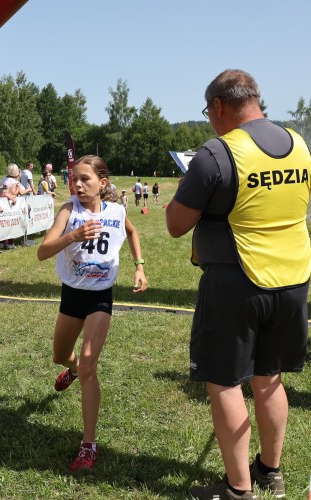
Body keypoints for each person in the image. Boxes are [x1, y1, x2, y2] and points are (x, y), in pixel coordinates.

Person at [166, 69, 310, 500]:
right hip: (294, 281)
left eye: (208, 112)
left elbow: (175, 224)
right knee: (269, 377)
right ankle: (270, 471)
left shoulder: (215, 154)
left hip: (237, 281)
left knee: (225, 383)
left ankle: (237, 489)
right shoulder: (300, 144)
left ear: (219, 107)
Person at [37, 155, 147, 472]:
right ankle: (70, 370)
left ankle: (88, 444)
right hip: (72, 294)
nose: (78, 184)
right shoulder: (69, 211)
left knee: (89, 364)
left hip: (101, 296)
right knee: (61, 356)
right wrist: (72, 236)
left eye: (85, 179)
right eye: (75, 179)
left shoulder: (117, 210)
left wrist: (139, 267)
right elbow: (43, 252)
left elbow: (133, 233)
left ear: (103, 182)